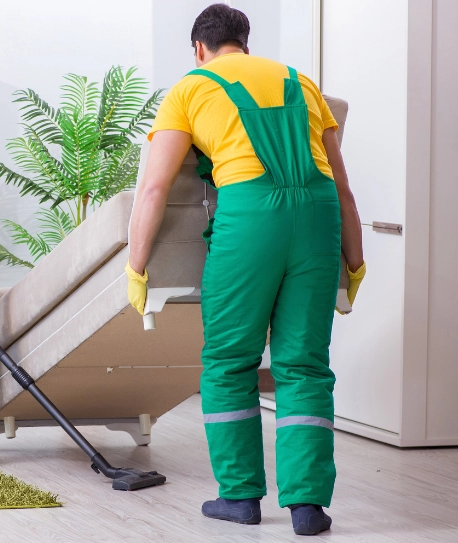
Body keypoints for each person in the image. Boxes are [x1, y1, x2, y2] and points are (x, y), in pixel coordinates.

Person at [125, 4, 366, 536]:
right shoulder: (300, 82)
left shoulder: (190, 88)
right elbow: (343, 185)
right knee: (303, 365)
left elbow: (155, 187)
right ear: (246, 43)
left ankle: (239, 497)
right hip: (319, 215)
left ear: (199, 49)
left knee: (230, 360)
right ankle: (308, 508)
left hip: (251, 216)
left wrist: (137, 266)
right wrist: (354, 260)